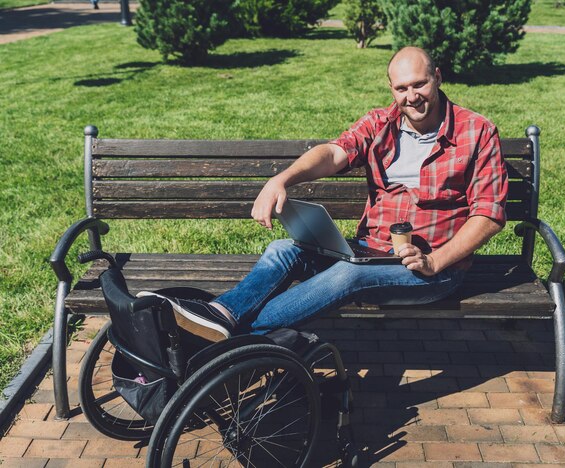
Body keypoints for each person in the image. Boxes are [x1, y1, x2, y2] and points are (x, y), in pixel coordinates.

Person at [173, 46, 508, 342]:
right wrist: (282, 180)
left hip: (432, 269)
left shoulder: (476, 132)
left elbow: (488, 215)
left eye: (419, 84)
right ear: (391, 89)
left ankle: (234, 342)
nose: (411, 96)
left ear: (437, 77)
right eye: (401, 88)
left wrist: (434, 261)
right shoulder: (380, 123)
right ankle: (221, 315)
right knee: (284, 249)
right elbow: (334, 153)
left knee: (349, 275)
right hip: (368, 251)